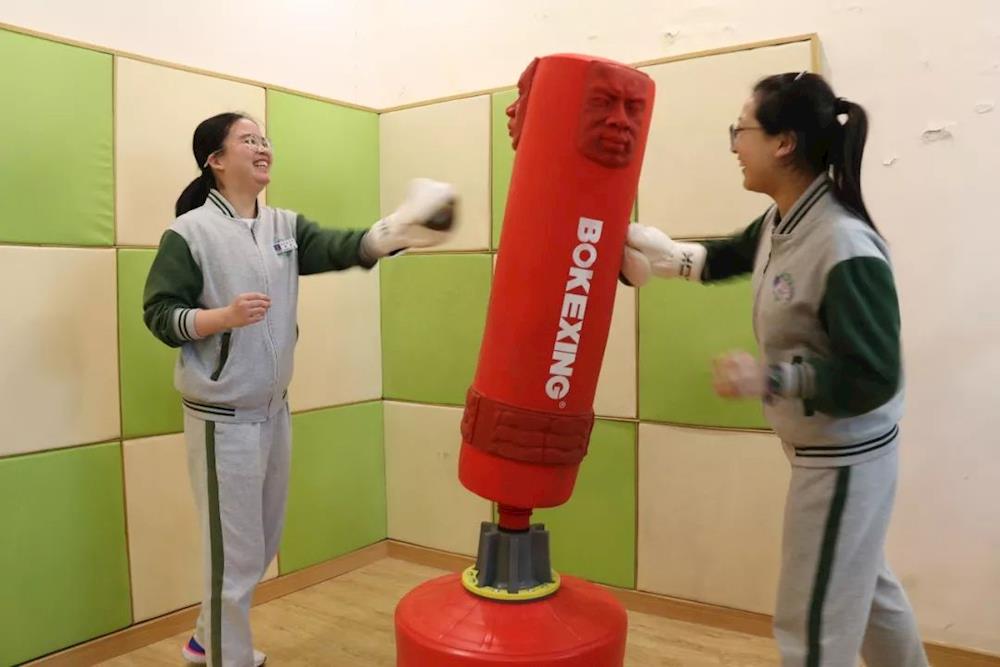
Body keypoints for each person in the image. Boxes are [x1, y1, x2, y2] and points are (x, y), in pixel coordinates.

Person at [623, 72, 929, 667]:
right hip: (826, 452)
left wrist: (771, 378)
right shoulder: (785, 220)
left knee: (811, 627)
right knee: (868, 596)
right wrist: (661, 254)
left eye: (741, 130)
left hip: (845, 459)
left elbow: (874, 377)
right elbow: (729, 256)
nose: (735, 145)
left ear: (783, 143)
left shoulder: (842, 243)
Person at [143, 112, 456, 667]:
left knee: (259, 545)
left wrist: (399, 229)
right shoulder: (189, 233)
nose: (262, 146)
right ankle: (225, 658)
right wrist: (222, 317)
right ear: (216, 160)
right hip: (222, 421)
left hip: (272, 411)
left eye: (264, 138)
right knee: (234, 556)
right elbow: (159, 314)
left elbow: (341, 246)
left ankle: (204, 638)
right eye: (248, 140)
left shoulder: (283, 226)